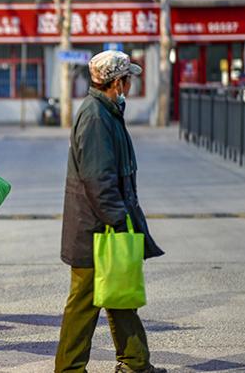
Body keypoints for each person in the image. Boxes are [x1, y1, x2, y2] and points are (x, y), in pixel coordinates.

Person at [55, 50, 166, 373]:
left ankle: (135, 362)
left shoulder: (106, 111)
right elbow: (98, 179)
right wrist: (119, 221)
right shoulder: (95, 116)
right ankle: (69, 369)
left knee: (121, 294)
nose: (130, 84)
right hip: (95, 229)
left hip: (103, 224)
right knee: (85, 302)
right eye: (128, 78)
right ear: (117, 82)